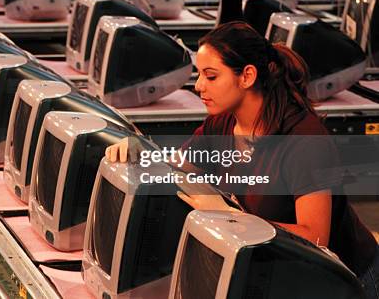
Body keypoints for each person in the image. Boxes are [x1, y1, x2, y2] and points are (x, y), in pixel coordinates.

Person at [105, 21, 379, 298]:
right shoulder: (222, 123)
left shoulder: (303, 140)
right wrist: (142, 150)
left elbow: (316, 236)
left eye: (211, 77)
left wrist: (233, 216)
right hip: (282, 270)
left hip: (348, 281)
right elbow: (179, 166)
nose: (199, 86)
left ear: (247, 76)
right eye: (199, 75)